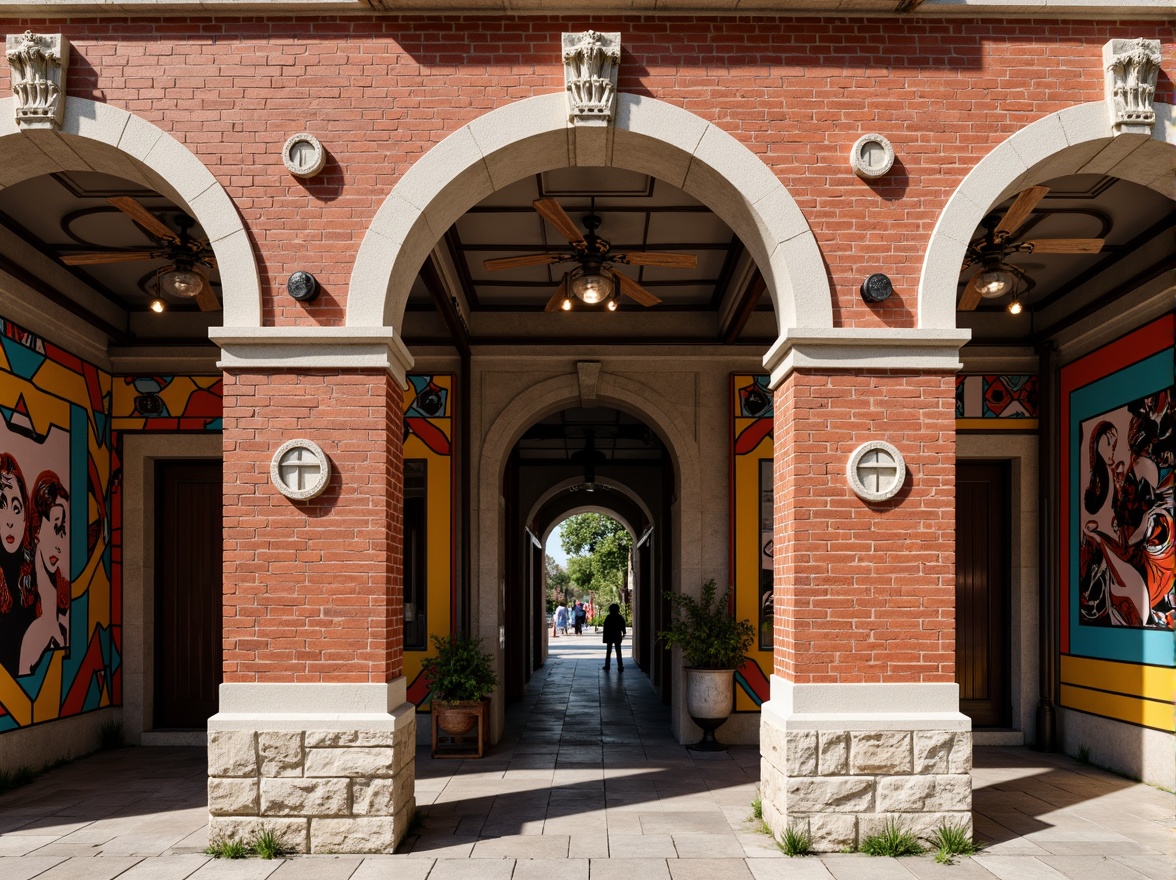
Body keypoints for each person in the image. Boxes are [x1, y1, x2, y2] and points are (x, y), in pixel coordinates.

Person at [19, 471, 70, 676]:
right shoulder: (33, 639)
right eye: (56, 526)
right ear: (38, 530)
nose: (60, 544)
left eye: (65, 530)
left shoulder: (65, 624)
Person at [0, 453, 35, 678]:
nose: (10, 520)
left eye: (15, 507)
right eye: (1, 506)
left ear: (25, 516)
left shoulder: (33, 570)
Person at [602, 602, 625, 671]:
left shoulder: (609, 617)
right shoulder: (619, 617)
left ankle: (607, 665)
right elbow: (623, 625)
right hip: (617, 636)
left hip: (610, 636)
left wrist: (605, 638)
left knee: (608, 651)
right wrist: (624, 632)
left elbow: (605, 628)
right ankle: (620, 666)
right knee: (618, 651)